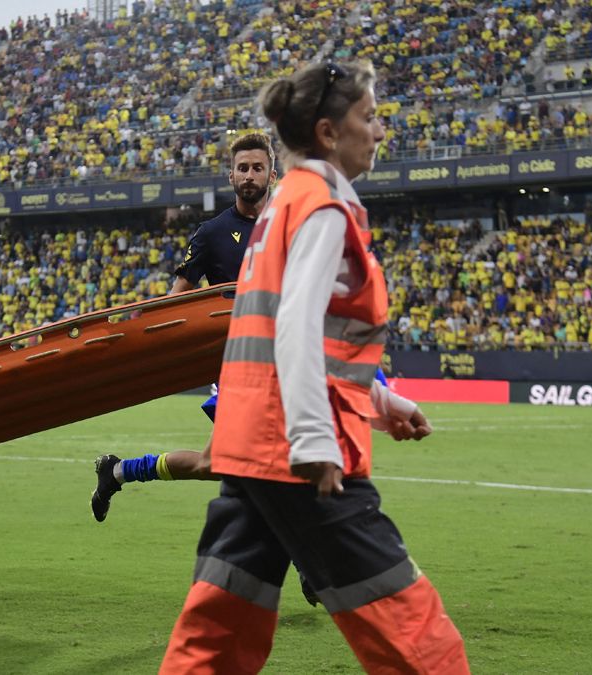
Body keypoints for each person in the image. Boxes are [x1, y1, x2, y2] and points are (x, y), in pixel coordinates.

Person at [160, 62, 469, 673]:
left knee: (218, 632)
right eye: (370, 116)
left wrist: (382, 403)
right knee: (419, 640)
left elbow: (299, 333)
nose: (379, 130)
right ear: (329, 132)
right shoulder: (324, 206)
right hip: (295, 454)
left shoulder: (284, 205)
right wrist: (312, 440)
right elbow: (296, 327)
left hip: (250, 442)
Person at [90, 132, 278, 522]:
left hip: (285, 364)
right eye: (242, 168)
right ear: (230, 176)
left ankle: (119, 471)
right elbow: (176, 301)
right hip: (239, 367)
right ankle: (309, 565)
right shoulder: (211, 233)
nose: (249, 175)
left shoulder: (292, 228)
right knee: (283, 465)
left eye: (257, 168)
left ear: (272, 175)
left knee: (217, 465)